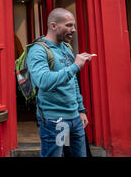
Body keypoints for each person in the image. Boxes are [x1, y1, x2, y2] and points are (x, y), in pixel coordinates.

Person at [26, 8, 93, 157]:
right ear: (54, 25)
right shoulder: (38, 51)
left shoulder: (66, 47)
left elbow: (73, 80)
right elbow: (43, 81)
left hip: (74, 118)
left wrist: (81, 109)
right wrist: (75, 66)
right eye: (69, 25)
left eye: (74, 25)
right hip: (56, 121)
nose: (73, 30)